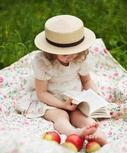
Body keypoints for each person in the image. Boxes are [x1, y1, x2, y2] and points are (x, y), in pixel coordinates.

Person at [18, 15, 107, 145]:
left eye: (74, 52)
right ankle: (74, 133)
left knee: (81, 116)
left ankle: (97, 134)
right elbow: (41, 93)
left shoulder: (81, 58)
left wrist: (95, 97)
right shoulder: (44, 63)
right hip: (50, 98)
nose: (70, 57)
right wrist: (62, 105)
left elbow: (86, 81)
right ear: (52, 51)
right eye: (65, 54)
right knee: (60, 116)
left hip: (73, 96)